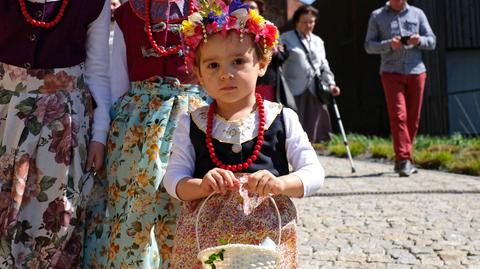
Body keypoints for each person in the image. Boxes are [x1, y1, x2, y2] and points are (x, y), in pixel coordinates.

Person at [163, 1, 324, 267]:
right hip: (205, 239)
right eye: (213, 65)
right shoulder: (191, 123)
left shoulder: (282, 118)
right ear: (199, 74)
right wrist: (202, 185)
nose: (226, 74)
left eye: (238, 61)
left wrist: (280, 183)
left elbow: (314, 173)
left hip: (267, 238)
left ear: (261, 64)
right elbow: (173, 179)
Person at [82, 0, 208, 268]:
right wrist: (114, 130)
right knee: (135, 209)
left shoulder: (211, 10)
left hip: (192, 120)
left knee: (187, 208)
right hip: (137, 127)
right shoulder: (129, 13)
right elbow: (118, 78)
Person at [0, 0, 110, 268]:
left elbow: (97, 72)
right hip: (6, 115)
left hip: (64, 129)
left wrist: (99, 134)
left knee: (58, 220)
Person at [365, 0, 436, 177]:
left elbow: (432, 41)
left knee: (413, 118)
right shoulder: (377, 16)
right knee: (399, 116)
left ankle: (403, 159)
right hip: (391, 72)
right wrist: (389, 44)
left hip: (416, 71)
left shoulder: (418, 14)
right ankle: (404, 159)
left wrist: (419, 40)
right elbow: (368, 46)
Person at [281, 5, 340, 143]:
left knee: (313, 127)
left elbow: (324, 65)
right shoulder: (285, 38)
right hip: (294, 89)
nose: (309, 25)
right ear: (297, 22)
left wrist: (331, 83)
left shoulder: (318, 41)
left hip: (314, 90)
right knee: (294, 127)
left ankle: (310, 154)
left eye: (311, 22)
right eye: (305, 22)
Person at [242, 0, 297, 110]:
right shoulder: (235, 29)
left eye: (253, 7)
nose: (249, 10)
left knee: (267, 115)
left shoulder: (269, 29)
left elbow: (282, 57)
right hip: (243, 80)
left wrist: (273, 50)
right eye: (245, 7)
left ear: (259, 10)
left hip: (268, 80)